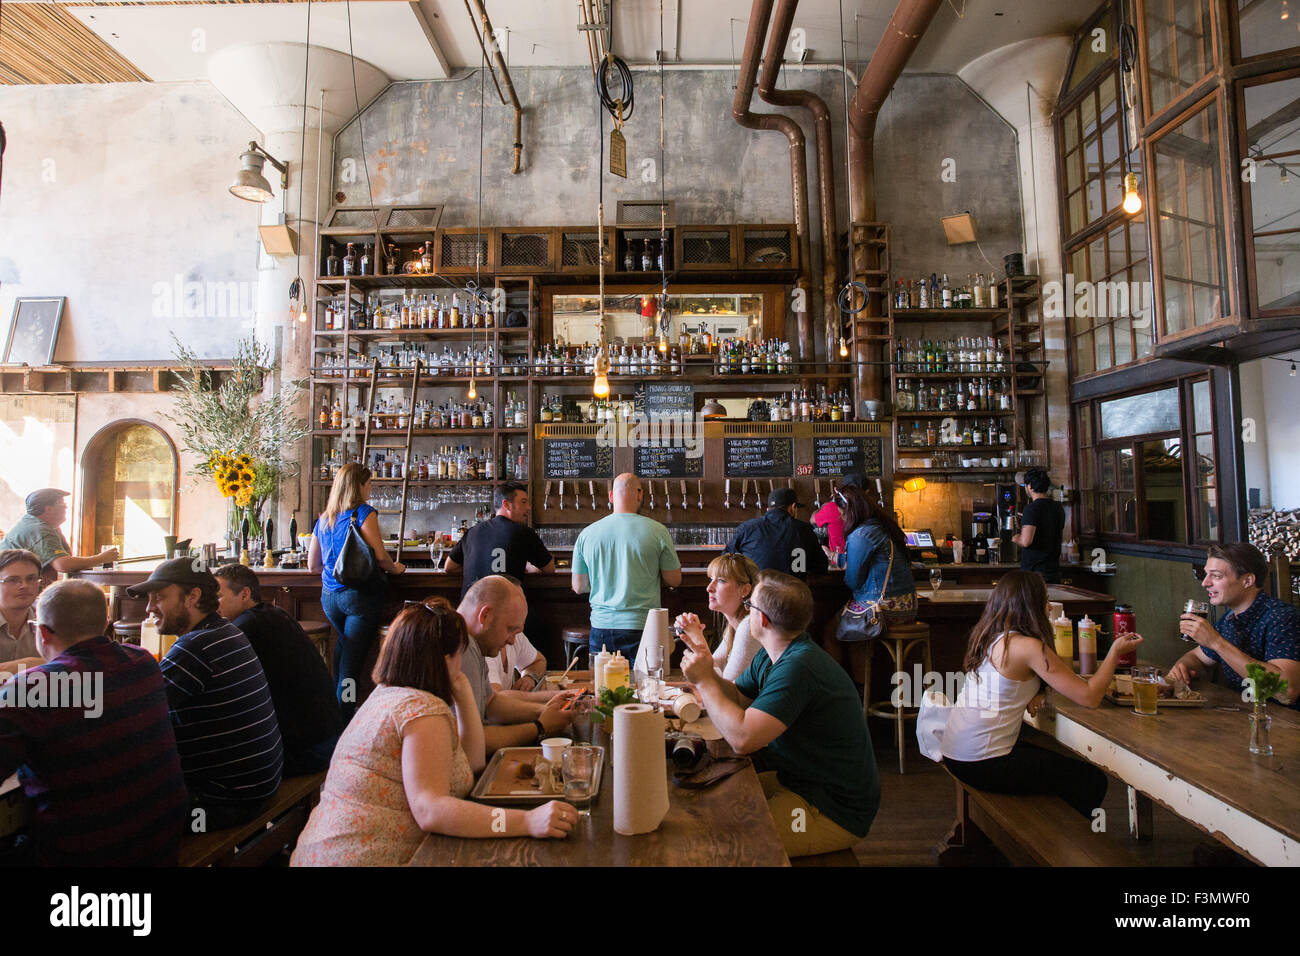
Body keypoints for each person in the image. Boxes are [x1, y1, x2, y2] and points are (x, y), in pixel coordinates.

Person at [291, 598, 577, 866]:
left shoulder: (386, 694)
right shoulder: (422, 710)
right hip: (360, 858)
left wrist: (463, 693)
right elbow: (432, 811)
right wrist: (527, 822)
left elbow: (473, 761)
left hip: (323, 853)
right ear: (445, 657)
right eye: (460, 654)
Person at [677, 570, 880, 858]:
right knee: (707, 802)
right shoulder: (774, 652)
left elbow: (743, 739)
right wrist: (707, 669)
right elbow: (736, 696)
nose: (746, 612)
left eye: (749, 606)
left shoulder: (799, 667)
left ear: (762, 619)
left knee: (722, 842)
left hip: (830, 808)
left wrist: (703, 682)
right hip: (798, 782)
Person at [0, 579, 188, 865]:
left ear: (42, 633)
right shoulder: (143, 662)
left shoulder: (30, 689)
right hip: (160, 844)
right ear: (106, 623)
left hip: (85, 856)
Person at [939, 571, 1142, 817]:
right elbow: (1090, 697)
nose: (1049, 606)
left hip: (956, 751)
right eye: (1044, 599)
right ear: (1031, 604)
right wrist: (1115, 651)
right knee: (1092, 780)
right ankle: (1069, 846)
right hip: (981, 761)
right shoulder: (1028, 647)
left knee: (1057, 768)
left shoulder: (992, 637)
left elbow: (1025, 681)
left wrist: (1039, 691)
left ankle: (1058, 832)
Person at [128, 558, 283, 830]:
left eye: (159, 597)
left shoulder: (194, 647)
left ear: (193, 596)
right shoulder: (225, 631)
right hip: (259, 783)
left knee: (105, 810)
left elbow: (135, 718)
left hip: (223, 799)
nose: (149, 608)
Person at [213, 563, 344, 774]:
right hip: (329, 739)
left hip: (308, 752)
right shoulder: (273, 614)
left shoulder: (245, 628)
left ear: (244, 594)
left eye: (218, 596)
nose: (212, 604)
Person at [309, 463, 406, 722]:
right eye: (369, 483)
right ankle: (343, 722)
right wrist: (396, 569)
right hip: (358, 597)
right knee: (351, 665)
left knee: (342, 651)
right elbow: (380, 556)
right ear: (360, 486)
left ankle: (333, 713)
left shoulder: (324, 517)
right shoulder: (363, 513)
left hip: (330, 598)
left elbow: (312, 565)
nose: (370, 488)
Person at [1168, 543, 1299, 708]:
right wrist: (1182, 668)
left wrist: (1216, 642)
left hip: (1286, 726)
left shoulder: (1282, 618)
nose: (1205, 583)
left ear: (1247, 581)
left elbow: (1287, 692)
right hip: (1243, 718)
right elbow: (1196, 657)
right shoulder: (1230, 619)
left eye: (1216, 576)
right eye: (1206, 574)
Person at [457, 576, 576, 754]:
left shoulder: (475, 643)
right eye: (510, 629)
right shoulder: (462, 647)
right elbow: (474, 744)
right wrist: (540, 726)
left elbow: (491, 703)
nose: (513, 641)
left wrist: (544, 709)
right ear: (485, 615)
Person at [572, 473, 682, 658]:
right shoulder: (658, 531)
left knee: (605, 685)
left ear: (610, 496)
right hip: (643, 626)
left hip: (602, 626)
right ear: (640, 494)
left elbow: (579, 586)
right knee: (646, 685)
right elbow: (674, 579)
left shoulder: (587, 534)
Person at [443, 481, 554, 596]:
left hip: (469, 610)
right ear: (506, 505)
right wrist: (527, 566)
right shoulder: (524, 532)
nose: (528, 508)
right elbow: (549, 568)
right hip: (503, 609)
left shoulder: (472, 531)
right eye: (523, 502)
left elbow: (449, 567)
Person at [0, 489, 118, 580]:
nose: (66, 508)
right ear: (49, 509)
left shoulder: (45, 526)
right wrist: (101, 558)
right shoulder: (39, 529)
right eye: (63, 505)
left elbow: (66, 559)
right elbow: (63, 564)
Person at [726, 487, 828, 581]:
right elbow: (821, 568)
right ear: (792, 507)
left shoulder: (747, 528)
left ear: (768, 509)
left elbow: (726, 559)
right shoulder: (805, 529)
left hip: (758, 595)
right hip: (795, 595)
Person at [703, 552, 761, 682]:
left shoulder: (748, 626)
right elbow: (712, 669)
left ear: (745, 590)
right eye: (711, 579)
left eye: (721, 581)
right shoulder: (734, 626)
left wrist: (696, 638)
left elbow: (727, 687)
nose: (709, 588)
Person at [1013, 468, 1065, 583]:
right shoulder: (1058, 507)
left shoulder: (1031, 509)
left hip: (1034, 572)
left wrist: (1016, 538)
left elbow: (1026, 541)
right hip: (1053, 570)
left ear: (1030, 486)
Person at [0, 550, 44, 676]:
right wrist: (30, 664)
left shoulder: (49, 619)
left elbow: (70, 664)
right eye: (13, 580)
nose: (24, 586)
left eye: (31, 579)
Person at [812, 472, 863, 558]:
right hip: (863, 562)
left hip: (838, 560)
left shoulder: (832, 507)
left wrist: (828, 504)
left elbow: (812, 519)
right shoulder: (869, 512)